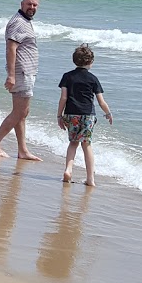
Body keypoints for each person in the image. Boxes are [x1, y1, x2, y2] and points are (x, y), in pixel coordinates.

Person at [0, 0, 42, 160]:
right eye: (29, 4)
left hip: (25, 73)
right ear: (22, 3)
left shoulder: (24, 21)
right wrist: (11, 75)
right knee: (20, 112)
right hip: (21, 73)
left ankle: (22, 150)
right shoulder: (19, 22)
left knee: (22, 113)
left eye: (35, 5)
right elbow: (11, 48)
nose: (32, 7)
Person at [57, 44, 115, 186]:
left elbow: (63, 98)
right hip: (88, 116)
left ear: (74, 60)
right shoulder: (93, 79)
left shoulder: (67, 76)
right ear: (91, 62)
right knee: (86, 145)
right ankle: (90, 179)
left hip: (71, 114)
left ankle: (68, 169)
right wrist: (108, 113)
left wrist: (59, 116)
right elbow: (101, 101)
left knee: (73, 143)